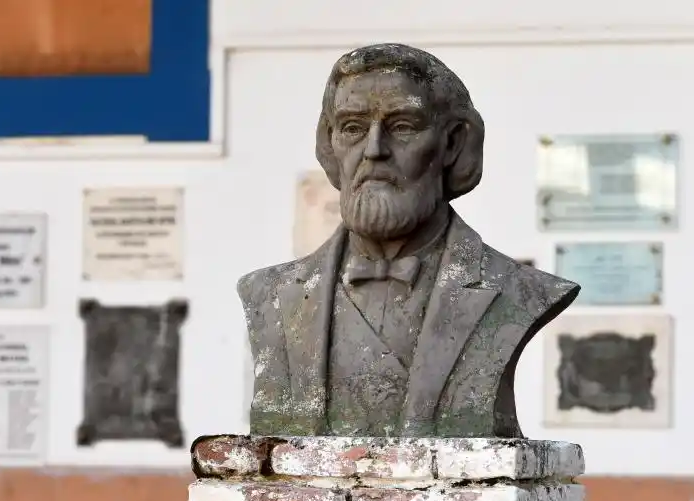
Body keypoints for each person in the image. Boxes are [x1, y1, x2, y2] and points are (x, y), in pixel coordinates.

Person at [238, 43, 579, 437]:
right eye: (352, 128)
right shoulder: (271, 294)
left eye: (403, 127)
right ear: (328, 141)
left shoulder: (517, 291)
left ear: (452, 143)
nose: (374, 150)